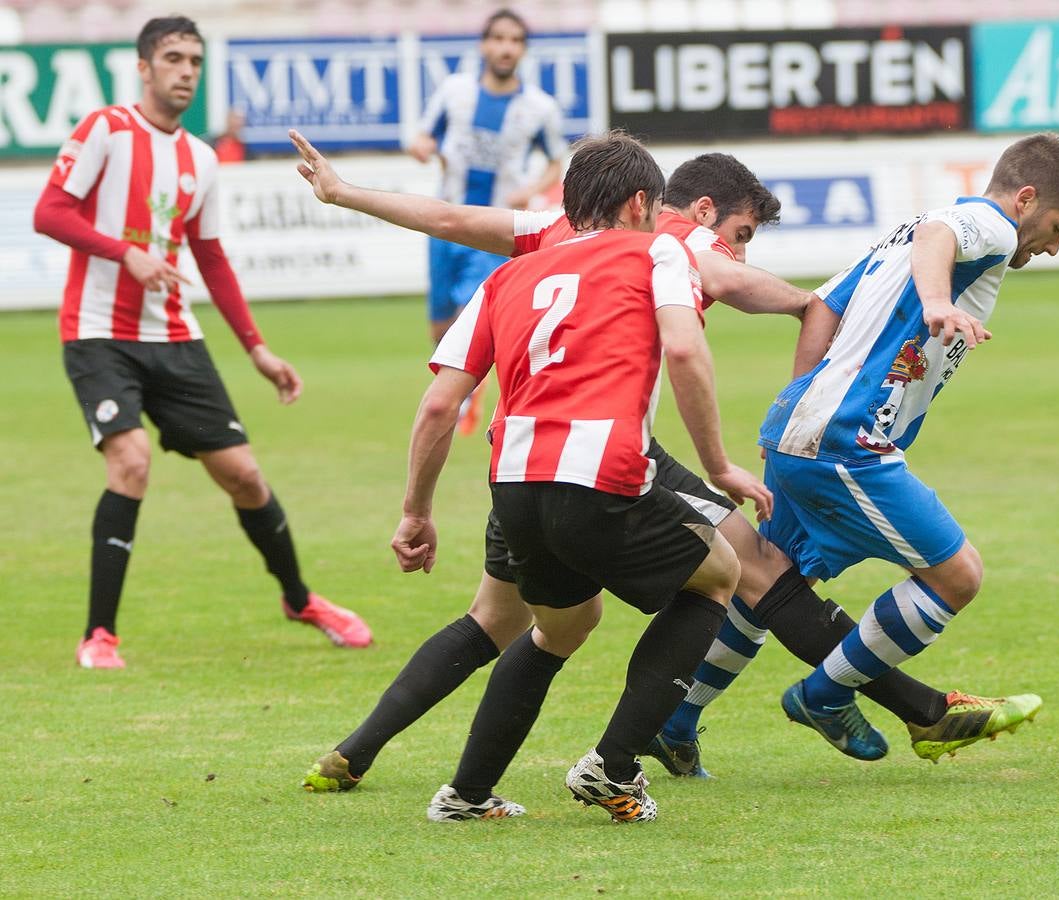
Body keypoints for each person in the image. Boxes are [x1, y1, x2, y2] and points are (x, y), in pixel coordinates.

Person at [290, 131, 1042, 794]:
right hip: (607, 452)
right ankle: (909, 709)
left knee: (508, 619)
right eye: (742, 232)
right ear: (689, 209)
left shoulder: (551, 233)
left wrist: (344, 191)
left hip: (521, 455)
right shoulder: (675, 240)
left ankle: (357, 752)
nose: (738, 249)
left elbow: (453, 220)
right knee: (750, 571)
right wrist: (799, 310)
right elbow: (733, 287)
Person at [385, 130, 771, 822]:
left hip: (513, 485)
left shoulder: (507, 276)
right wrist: (717, 464)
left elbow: (441, 402)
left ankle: (466, 795)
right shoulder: (658, 249)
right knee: (718, 574)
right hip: (600, 466)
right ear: (640, 204)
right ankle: (612, 767)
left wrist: (415, 511)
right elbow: (684, 349)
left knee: (558, 628)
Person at [31, 16, 371, 670]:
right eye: (173, 58)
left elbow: (211, 259)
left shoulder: (202, 158)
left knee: (244, 475)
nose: (186, 70)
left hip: (176, 337)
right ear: (143, 67)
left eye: (194, 60)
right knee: (130, 462)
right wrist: (125, 254)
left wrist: (257, 349)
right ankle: (99, 635)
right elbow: (50, 212)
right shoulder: (106, 128)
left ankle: (300, 600)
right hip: (100, 332)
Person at [766, 134, 1059, 759]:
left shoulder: (897, 237)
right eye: (1057, 227)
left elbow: (821, 308)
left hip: (806, 429)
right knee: (956, 575)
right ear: (1026, 199)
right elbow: (942, 234)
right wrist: (939, 302)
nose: (1053, 245)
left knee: (766, 581)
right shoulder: (991, 225)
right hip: (848, 440)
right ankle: (825, 695)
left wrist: (791, 411)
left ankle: (675, 724)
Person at [411, 8, 566, 433]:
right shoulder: (454, 91)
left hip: (496, 227)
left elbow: (556, 161)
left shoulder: (539, 107)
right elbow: (423, 135)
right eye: (499, 39)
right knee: (441, 323)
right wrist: (423, 146)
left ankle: (463, 399)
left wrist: (530, 190)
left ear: (522, 50)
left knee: (470, 313)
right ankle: (457, 390)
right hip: (445, 221)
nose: (506, 47)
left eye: (515, 41)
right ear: (484, 45)